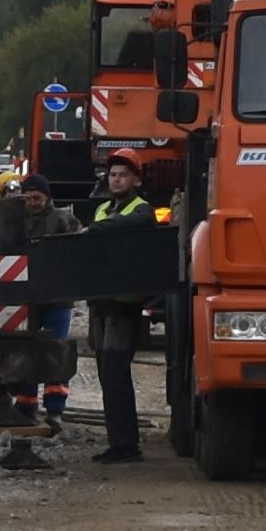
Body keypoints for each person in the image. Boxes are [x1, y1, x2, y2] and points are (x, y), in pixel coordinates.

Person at [81, 150, 177, 462]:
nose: (117, 179)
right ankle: (118, 441)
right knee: (108, 376)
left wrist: (94, 229)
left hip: (124, 307)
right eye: (112, 175)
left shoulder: (141, 210)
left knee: (115, 373)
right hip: (103, 303)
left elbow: (128, 224)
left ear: (135, 179)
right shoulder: (101, 211)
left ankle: (126, 444)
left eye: (123, 174)